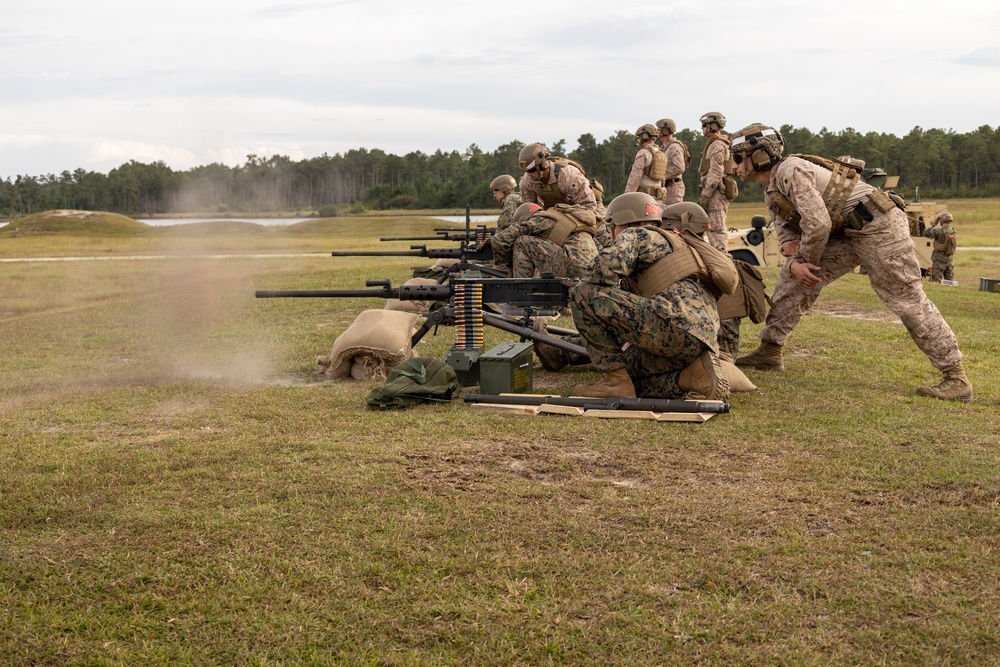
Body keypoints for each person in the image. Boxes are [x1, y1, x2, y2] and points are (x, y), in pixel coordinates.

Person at [729, 123, 973, 403]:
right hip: (848, 230)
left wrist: (805, 260)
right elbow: (786, 225)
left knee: (904, 297)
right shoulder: (773, 186)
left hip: (880, 225)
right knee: (792, 276)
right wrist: (792, 255)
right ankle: (769, 351)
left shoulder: (790, 170)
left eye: (738, 158)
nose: (734, 166)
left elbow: (818, 224)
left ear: (759, 156)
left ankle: (956, 376)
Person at [568, 192, 730, 401]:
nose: (609, 235)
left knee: (582, 293)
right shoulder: (678, 242)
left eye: (611, 227)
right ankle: (690, 377)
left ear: (625, 223)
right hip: (700, 339)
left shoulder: (636, 234)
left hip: (673, 325)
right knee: (630, 377)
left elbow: (601, 271)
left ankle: (614, 383)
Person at [487, 201, 599, 279]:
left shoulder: (540, 219)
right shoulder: (562, 218)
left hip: (574, 267)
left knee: (522, 242)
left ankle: (521, 294)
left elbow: (502, 239)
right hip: (592, 271)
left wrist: (501, 261)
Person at [517, 143, 605, 217]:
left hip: (590, 210)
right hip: (558, 215)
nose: (528, 174)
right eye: (526, 171)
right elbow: (528, 210)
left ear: (542, 164)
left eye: (532, 170)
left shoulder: (568, 175)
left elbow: (588, 207)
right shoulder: (527, 181)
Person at [697, 112, 737, 251]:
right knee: (713, 228)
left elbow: (715, 172)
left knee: (716, 229)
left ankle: (722, 258)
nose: (702, 128)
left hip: (715, 193)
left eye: (704, 125)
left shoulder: (717, 145)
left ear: (712, 126)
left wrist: (705, 195)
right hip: (714, 191)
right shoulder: (717, 144)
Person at [624, 124, 666, 199]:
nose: (638, 140)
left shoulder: (643, 153)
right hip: (658, 198)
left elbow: (634, 178)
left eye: (639, 137)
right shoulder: (662, 154)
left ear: (644, 137)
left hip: (644, 199)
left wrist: (626, 197)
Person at [655, 118, 689, 205]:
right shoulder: (665, 147)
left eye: (659, 130)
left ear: (665, 131)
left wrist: (661, 175)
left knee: (672, 216)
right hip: (666, 188)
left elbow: (679, 167)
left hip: (673, 188)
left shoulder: (674, 147)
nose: (656, 132)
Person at [922, 211, 957, 282]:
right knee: (950, 280)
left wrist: (933, 225)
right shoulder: (953, 231)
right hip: (949, 258)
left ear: (941, 221)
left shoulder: (939, 231)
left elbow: (925, 233)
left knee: (935, 279)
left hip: (939, 258)